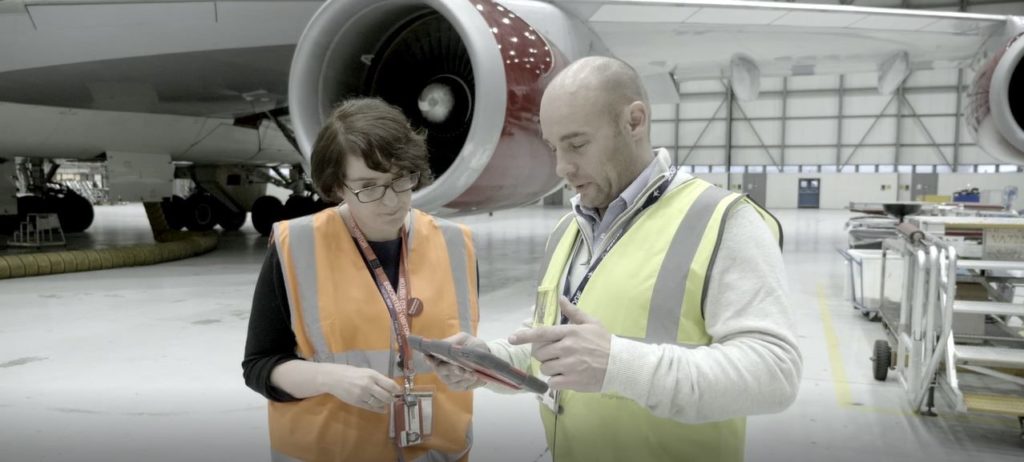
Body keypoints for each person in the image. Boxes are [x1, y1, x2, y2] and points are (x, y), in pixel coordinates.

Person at [432, 56, 802, 461]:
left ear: (635, 121)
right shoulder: (567, 232)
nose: (562, 167)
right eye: (554, 148)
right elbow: (551, 347)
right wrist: (489, 362)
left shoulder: (723, 219)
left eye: (577, 144)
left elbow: (774, 373)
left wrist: (617, 364)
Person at [242, 97, 479, 461]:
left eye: (401, 180)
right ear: (337, 186)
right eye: (368, 187)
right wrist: (329, 379)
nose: (391, 201)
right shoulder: (297, 246)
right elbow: (261, 365)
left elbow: (466, 350)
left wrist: (475, 367)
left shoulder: (455, 245)